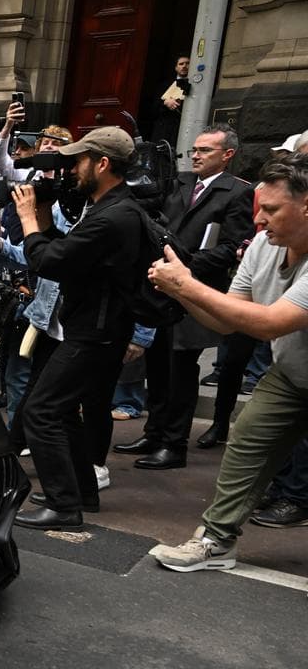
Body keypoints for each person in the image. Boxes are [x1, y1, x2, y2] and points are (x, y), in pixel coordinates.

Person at [147, 152, 308, 570]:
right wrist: (182, 291)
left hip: (289, 360)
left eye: (271, 210)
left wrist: (187, 284)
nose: (259, 221)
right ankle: (217, 541)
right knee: (248, 443)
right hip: (294, 374)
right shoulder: (263, 245)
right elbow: (226, 318)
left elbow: (270, 323)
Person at [14, 126, 143, 530]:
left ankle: (63, 505)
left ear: (102, 164)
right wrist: (42, 219)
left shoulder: (113, 216)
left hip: (95, 332)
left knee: (41, 410)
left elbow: (49, 262)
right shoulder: (110, 207)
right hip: (98, 328)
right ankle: (82, 492)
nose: (71, 169)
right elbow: (67, 254)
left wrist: (26, 220)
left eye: (79, 161)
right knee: (66, 410)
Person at [114, 124, 253, 470]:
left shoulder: (235, 192)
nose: (196, 155)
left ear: (227, 155)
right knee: (158, 366)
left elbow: (231, 247)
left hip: (195, 291)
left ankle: (174, 444)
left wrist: (185, 266)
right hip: (163, 290)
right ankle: (155, 431)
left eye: (205, 150)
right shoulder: (180, 183)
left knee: (181, 369)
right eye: (194, 149)